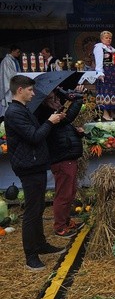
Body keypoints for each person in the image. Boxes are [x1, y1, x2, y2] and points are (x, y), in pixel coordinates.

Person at [4, 75, 66, 271]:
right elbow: (34, 136)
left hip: (35, 164)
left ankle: (40, 244)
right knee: (32, 211)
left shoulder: (23, 110)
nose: (33, 93)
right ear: (20, 90)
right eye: (30, 90)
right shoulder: (14, 112)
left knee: (38, 207)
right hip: (28, 167)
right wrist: (50, 122)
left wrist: (53, 118)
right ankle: (31, 255)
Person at [35, 85, 86, 238]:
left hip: (67, 156)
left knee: (69, 193)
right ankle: (60, 227)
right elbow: (68, 118)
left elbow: (64, 129)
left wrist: (77, 133)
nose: (56, 101)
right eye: (52, 99)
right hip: (62, 158)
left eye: (56, 97)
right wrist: (77, 98)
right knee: (64, 194)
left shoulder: (55, 114)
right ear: (44, 102)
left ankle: (66, 220)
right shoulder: (46, 116)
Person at [93, 31, 115, 121]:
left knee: (113, 92)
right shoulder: (99, 48)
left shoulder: (112, 49)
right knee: (106, 92)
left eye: (110, 38)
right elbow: (99, 61)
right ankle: (105, 114)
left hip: (112, 73)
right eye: (106, 38)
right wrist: (100, 72)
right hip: (105, 73)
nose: (109, 39)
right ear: (102, 39)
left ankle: (113, 113)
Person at [0, 45, 21, 118]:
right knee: (9, 103)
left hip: (15, 84)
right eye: (17, 52)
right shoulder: (6, 61)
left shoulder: (14, 60)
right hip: (9, 85)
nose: (19, 54)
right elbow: (9, 74)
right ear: (12, 51)